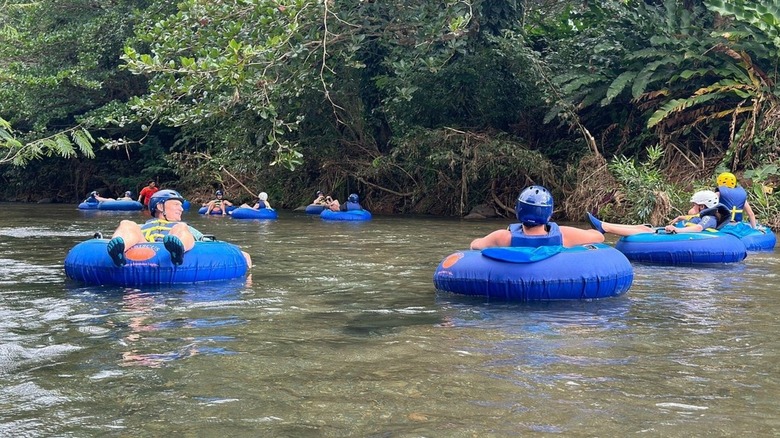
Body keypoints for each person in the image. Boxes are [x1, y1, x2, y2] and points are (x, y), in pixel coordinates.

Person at [105, 189, 252, 268]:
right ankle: (119, 250)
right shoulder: (141, 227)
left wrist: (240, 253)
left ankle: (178, 249)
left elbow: (208, 241)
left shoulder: (182, 227)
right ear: (159, 206)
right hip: (144, 244)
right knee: (126, 223)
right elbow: (130, 230)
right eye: (176, 204)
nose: (181, 209)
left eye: (181, 206)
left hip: (170, 249)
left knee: (181, 227)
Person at [470, 185, 604, 250]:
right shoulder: (564, 235)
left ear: (518, 210)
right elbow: (599, 237)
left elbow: (474, 245)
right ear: (549, 214)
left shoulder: (502, 237)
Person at [586, 190, 730, 236]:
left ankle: (604, 227)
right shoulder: (707, 216)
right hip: (678, 233)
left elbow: (698, 228)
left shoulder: (710, 219)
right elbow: (693, 221)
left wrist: (677, 229)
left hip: (680, 235)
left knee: (644, 230)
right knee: (643, 226)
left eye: (695, 205)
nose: (692, 207)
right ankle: (604, 225)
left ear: (703, 206)